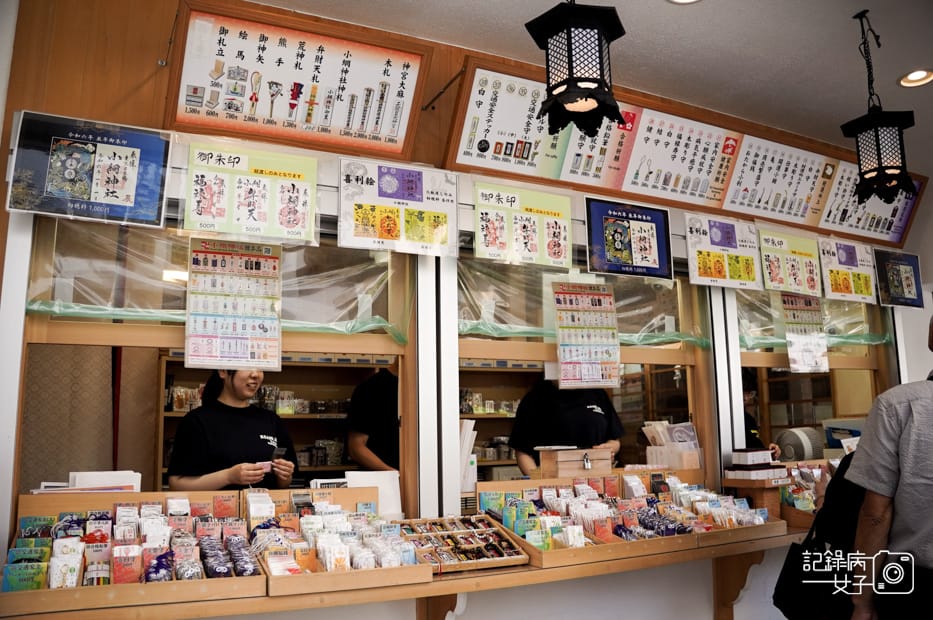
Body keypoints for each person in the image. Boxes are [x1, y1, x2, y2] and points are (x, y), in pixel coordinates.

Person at [844, 318, 933, 619]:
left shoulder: (898, 405)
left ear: (931, 338)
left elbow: (876, 513)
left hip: (915, 586)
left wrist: (861, 600)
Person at [168, 368, 298, 490]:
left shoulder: (271, 420)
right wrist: (228, 477)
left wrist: (284, 475)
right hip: (216, 506)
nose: (255, 374)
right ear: (223, 371)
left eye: (260, 368)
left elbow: (285, 483)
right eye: (247, 365)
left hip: (267, 506)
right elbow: (176, 484)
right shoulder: (196, 420)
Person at [508, 378, 623, 476]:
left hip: (597, 479)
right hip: (554, 484)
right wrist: (537, 481)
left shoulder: (597, 393)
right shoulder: (535, 398)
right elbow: (522, 450)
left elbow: (614, 440)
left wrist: (609, 448)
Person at [345, 367, 400, 471]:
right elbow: (356, 447)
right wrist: (394, 475)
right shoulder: (370, 388)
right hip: (382, 477)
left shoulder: (423, 387)